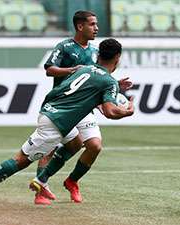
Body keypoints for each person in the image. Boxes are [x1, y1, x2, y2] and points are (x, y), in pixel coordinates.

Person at [0, 38, 133, 209]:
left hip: (52, 113)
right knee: (21, 160)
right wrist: (127, 110)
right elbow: (110, 112)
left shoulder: (84, 69)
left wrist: (114, 85)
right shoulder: (107, 81)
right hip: (56, 123)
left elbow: (82, 87)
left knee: (75, 143)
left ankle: (42, 179)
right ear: (118, 57)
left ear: (99, 54)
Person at [33, 10, 132, 205]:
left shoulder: (96, 51)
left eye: (96, 24)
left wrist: (115, 85)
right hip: (64, 106)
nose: (96, 28)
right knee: (50, 148)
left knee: (94, 146)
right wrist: (71, 70)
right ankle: (40, 191)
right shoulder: (65, 47)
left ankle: (72, 181)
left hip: (85, 108)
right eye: (93, 24)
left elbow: (99, 76)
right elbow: (49, 69)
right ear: (80, 26)